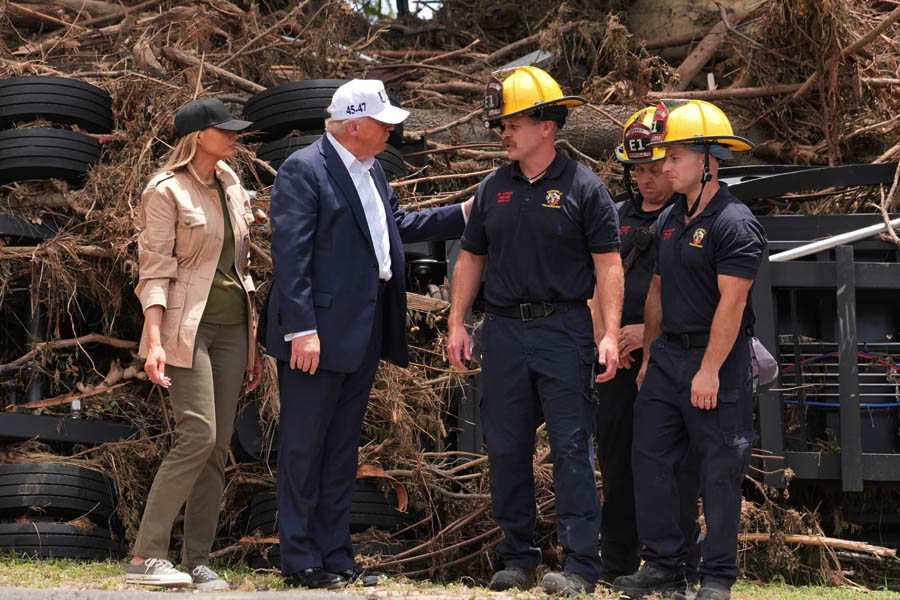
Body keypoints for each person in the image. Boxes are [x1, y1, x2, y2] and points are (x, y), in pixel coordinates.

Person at [265, 79, 471, 590]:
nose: (392, 131)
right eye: (385, 123)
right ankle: (301, 560)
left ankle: (336, 555)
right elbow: (291, 258)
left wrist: (466, 212)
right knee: (303, 449)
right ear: (355, 125)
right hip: (317, 333)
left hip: (364, 329)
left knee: (341, 450)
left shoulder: (372, 170)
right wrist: (302, 330)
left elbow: (395, 225)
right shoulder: (304, 169)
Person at [446, 66, 624, 596]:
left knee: (572, 447)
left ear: (547, 126)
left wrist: (609, 334)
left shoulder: (584, 188)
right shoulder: (492, 188)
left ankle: (581, 566)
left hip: (564, 329)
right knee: (505, 447)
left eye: (513, 123)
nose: (503, 132)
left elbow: (609, 266)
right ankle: (518, 558)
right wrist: (458, 322)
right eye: (501, 124)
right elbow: (471, 258)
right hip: (500, 331)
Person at [611, 99, 766, 600]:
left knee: (720, 469)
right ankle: (663, 566)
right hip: (667, 360)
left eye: (674, 156)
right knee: (652, 460)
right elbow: (656, 290)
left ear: (706, 160)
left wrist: (711, 371)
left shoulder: (735, 222)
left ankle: (717, 577)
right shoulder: (672, 217)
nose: (664, 166)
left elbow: (733, 304)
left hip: (714, 360)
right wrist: (652, 357)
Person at [129, 97, 262, 590]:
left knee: (217, 447)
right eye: (224, 130)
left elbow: (239, 268)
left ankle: (199, 560)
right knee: (197, 435)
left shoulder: (231, 185)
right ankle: (146, 556)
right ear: (197, 136)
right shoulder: (164, 191)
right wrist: (155, 339)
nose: (234, 137)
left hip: (233, 329)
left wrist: (251, 348)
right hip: (188, 329)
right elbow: (155, 271)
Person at [593, 107, 702, 586]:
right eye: (637, 170)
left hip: (671, 357)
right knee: (617, 462)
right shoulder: (612, 215)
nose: (646, 179)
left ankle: (679, 565)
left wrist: (647, 335)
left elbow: (697, 291)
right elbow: (592, 282)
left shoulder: (693, 218)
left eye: (655, 168)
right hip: (617, 362)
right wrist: (609, 335)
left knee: (676, 465)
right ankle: (617, 562)